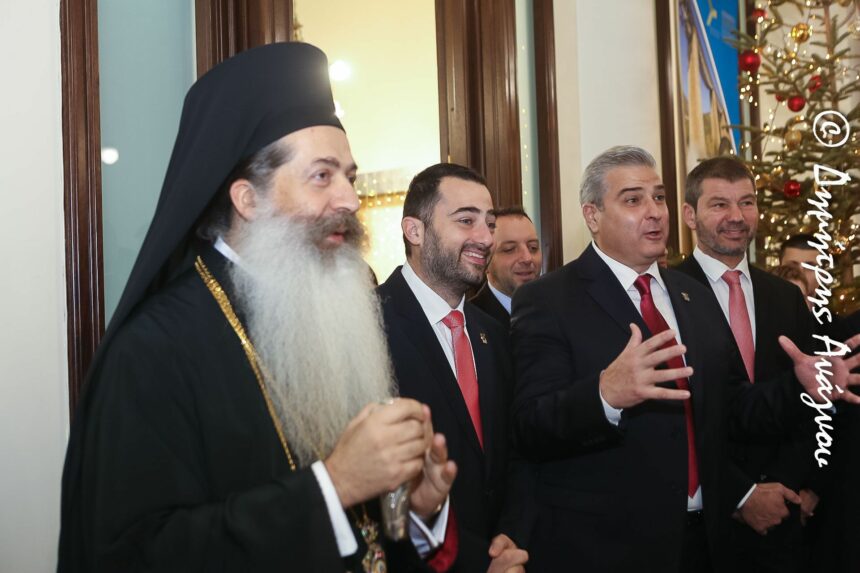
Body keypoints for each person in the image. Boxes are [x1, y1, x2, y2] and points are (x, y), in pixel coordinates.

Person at [57, 43, 455, 573]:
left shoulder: (327, 317)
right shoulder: (153, 348)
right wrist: (333, 486)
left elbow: (361, 540)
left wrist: (414, 512)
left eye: (350, 177)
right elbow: (136, 553)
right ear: (247, 199)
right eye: (322, 176)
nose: (349, 200)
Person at [509, 146, 860, 573]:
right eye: (633, 200)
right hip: (607, 547)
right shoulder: (548, 299)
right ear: (593, 215)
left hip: (705, 542)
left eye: (659, 197)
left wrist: (798, 385)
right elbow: (529, 426)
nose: (655, 212)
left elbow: (732, 408)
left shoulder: (692, 296)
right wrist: (604, 395)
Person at [377, 163, 529, 573]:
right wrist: (474, 564)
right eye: (466, 221)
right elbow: (376, 491)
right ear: (414, 231)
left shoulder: (493, 333)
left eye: (490, 223)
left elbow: (516, 453)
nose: (486, 238)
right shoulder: (367, 327)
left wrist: (509, 538)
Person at [676, 156, 818, 572]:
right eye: (719, 204)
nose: (736, 216)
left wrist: (795, 485)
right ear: (690, 215)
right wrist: (741, 494)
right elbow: (676, 418)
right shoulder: (668, 294)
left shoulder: (785, 297)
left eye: (747, 202)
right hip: (702, 522)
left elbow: (810, 398)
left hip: (783, 514)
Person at [471, 207, 542, 328]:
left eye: (533, 248)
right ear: (485, 262)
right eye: (510, 249)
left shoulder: (559, 308)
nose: (527, 258)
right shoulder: (469, 321)